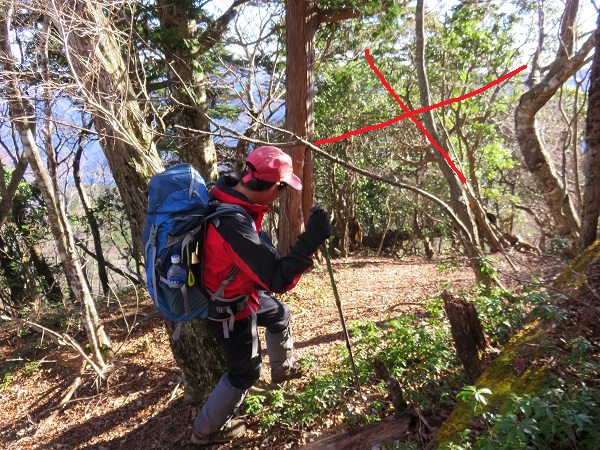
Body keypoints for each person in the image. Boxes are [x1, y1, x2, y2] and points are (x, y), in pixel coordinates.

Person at [190, 146, 331, 446]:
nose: (284, 194)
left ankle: (283, 369)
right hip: (228, 308)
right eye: (283, 189)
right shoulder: (233, 224)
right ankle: (204, 432)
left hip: (243, 292)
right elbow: (277, 278)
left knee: (281, 314)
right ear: (274, 188)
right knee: (245, 373)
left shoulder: (228, 193)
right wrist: (311, 239)